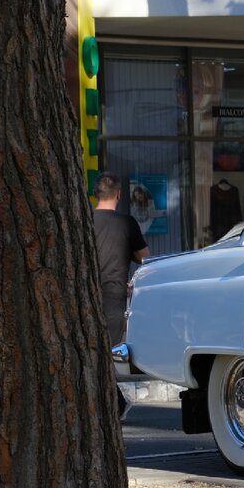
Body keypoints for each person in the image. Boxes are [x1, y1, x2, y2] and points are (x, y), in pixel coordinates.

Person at [92, 172, 150, 417]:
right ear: (118, 194)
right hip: (114, 297)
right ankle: (115, 406)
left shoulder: (82, 221)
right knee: (106, 358)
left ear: (96, 194)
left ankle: (112, 406)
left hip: (86, 296)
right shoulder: (127, 224)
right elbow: (145, 259)